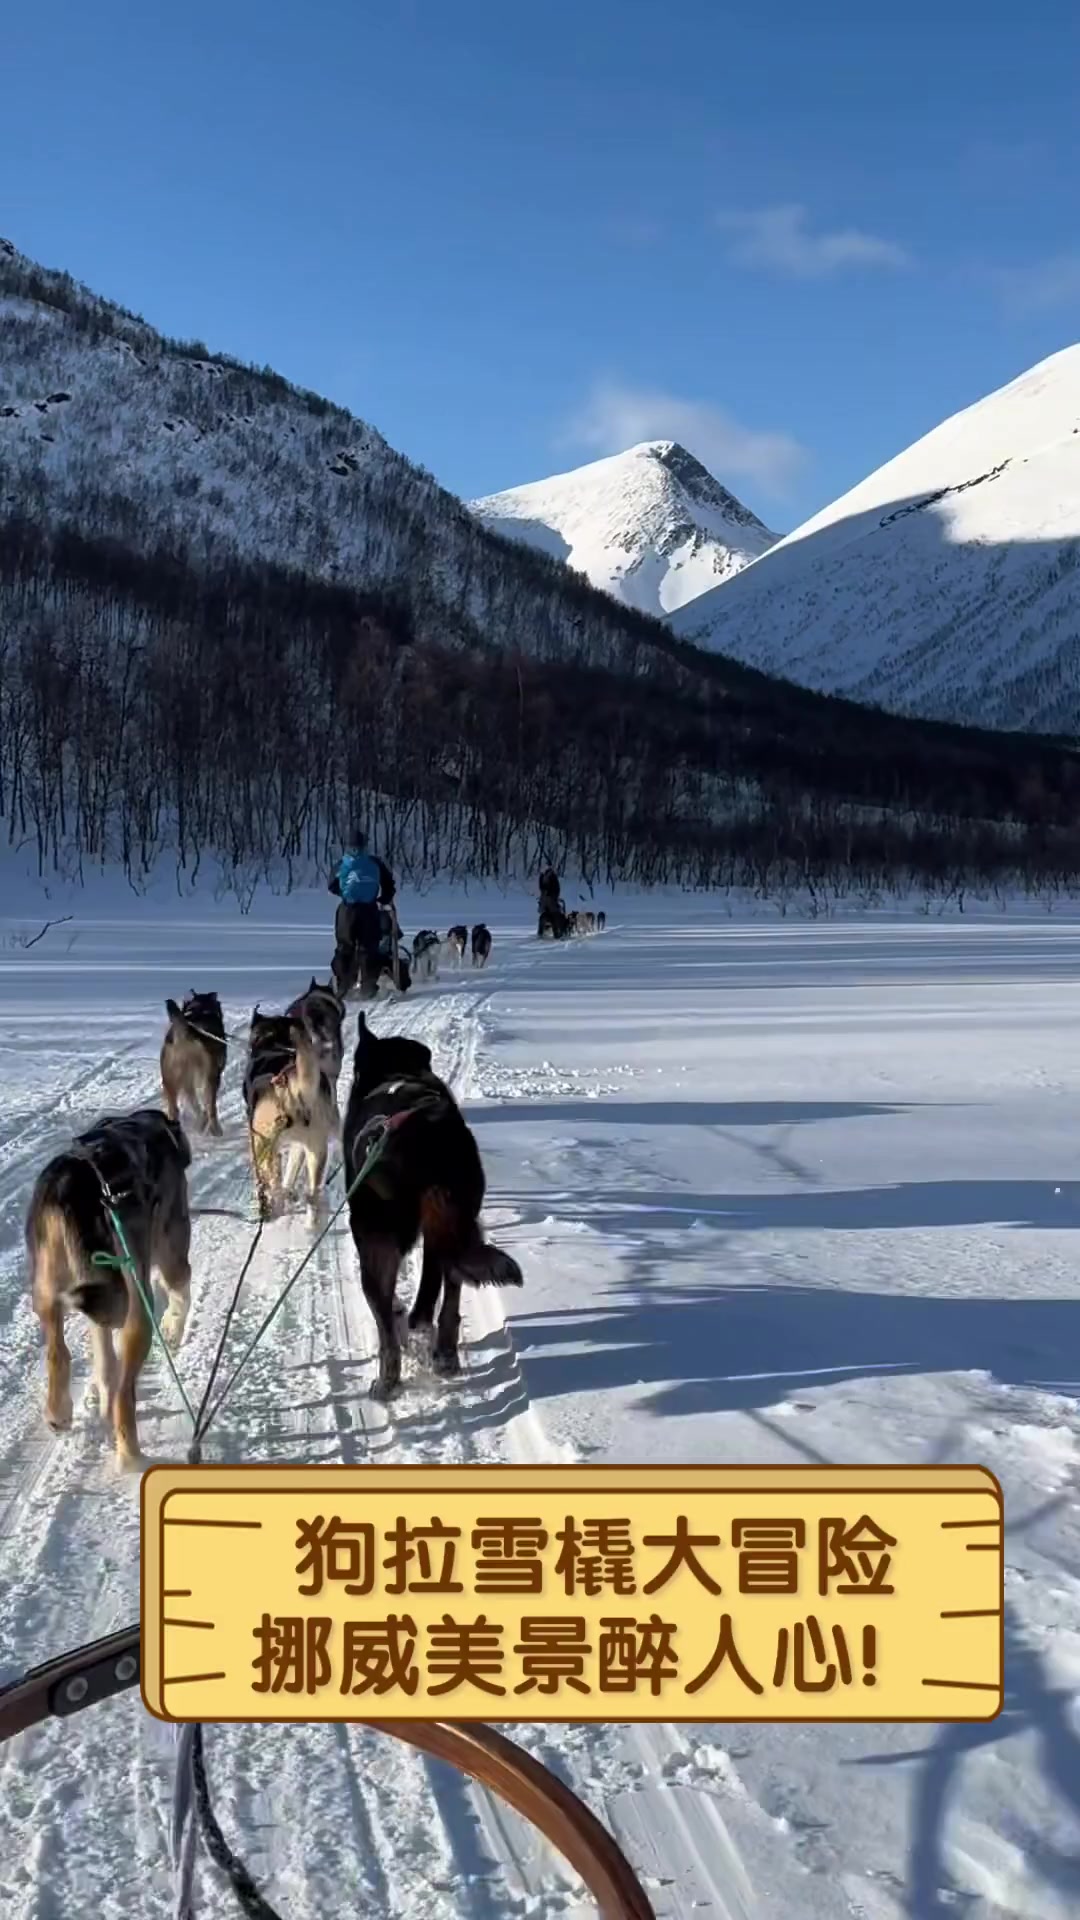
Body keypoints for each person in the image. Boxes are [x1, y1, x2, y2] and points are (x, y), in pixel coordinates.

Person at [328, 829, 396, 999]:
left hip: (347, 912)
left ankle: (344, 985)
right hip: (369, 910)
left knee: (344, 947)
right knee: (369, 948)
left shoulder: (341, 863)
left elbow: (331, 885)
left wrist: (345, 894)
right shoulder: (375, 862)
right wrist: (383, 899)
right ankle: (368, 986)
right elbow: (389, 883)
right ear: (365, 845)